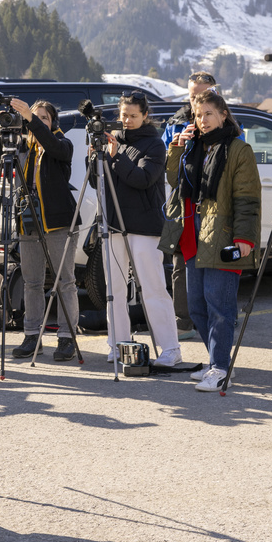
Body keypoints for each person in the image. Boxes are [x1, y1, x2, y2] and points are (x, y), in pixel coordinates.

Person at [165, 90, 260, 392]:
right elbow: (174, 182)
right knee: (196, 308)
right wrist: (177, 150)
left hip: (222, 237)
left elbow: (247, 199)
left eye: (208, 113)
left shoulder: (237, 149)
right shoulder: (194, 147)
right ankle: (215, 362)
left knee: (220, 307)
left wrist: (244, 237)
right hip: (193, 236)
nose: (202, 120)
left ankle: (220, 367)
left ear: (223, 115)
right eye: (197, 114)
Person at [0, 98, 81, 362]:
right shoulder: (23, 145)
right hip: (28, 221)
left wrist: (30, 117)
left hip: (58, 222)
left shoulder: (62, 143)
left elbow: (52, 146)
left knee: (65, 282)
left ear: (53, 123)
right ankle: (32, 335)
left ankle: (67, 338)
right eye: (34, 117)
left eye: (44, 118)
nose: (37, 121)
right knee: (32, 282)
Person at [96, 92, 180, 367]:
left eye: (133, 116)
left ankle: (170, 348)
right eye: (123, 116)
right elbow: (101, 182)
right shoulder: (113, 141)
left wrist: (116, 157)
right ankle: (117, 344)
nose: (128, 121)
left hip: (145, 226)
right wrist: (97, 158)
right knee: (114, 289)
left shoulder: (155, 145)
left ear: (145, 115)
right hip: (115, 224)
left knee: (153, 287)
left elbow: (143, 179)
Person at [161, 71, 217, 341]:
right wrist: (178, 144)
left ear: (215, 92)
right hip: (183, 205)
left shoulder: (224, 118)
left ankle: (214, 316)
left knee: (213, 262)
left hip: (214, 206)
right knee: (181, 264)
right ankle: (183, 321)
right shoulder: (176, 122)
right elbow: (165, 162)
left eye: (203, 94)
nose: (197, 101)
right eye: (192, 95)